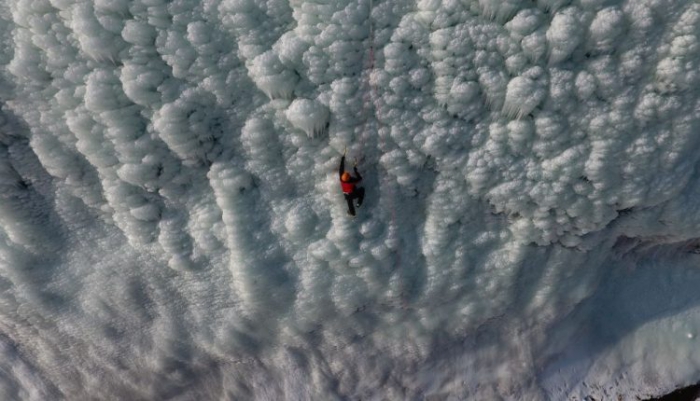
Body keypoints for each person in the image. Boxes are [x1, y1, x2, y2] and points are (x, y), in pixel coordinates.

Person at [339, 152, 364, 217]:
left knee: (350, 204)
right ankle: (358, 203)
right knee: (362, 190)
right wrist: (355, 170)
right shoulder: (352, 180)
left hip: (346, 195)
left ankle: (352, 213)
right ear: (349, 177)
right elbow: (360, 178)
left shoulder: (341, 178)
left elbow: (341, 168)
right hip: (353, 194)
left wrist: (342, 158)